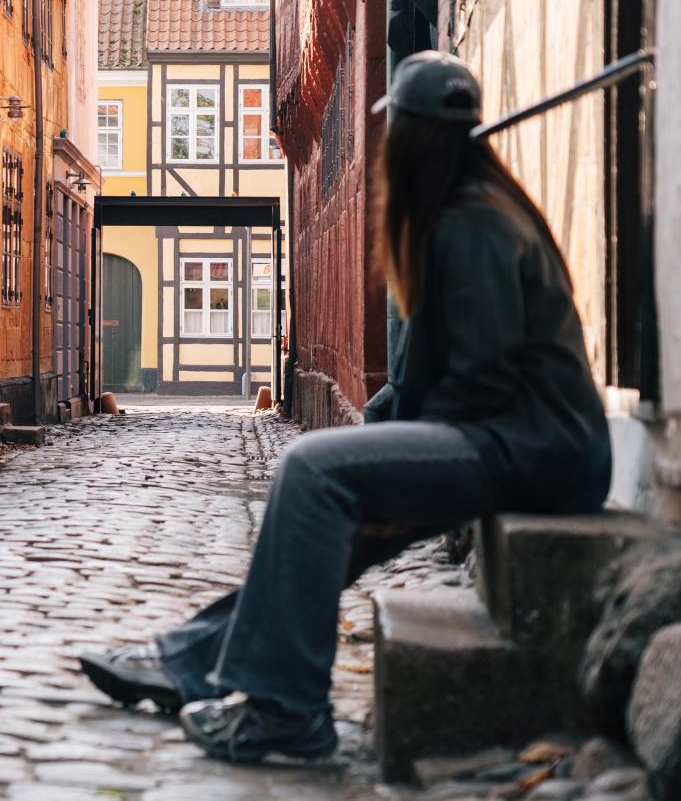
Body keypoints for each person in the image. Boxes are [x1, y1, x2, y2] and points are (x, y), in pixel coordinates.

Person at [77, 52, 613, 763]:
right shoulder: (461, 214)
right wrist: (389, 442)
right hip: (512, 440)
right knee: (329, 513)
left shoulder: (472, 225)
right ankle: (193, 662)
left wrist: (396, 474)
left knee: (314, 469)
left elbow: (478, 384)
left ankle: (286, 712)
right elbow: (429, 381)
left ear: (409, 140)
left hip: (536, 450)